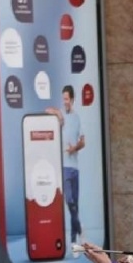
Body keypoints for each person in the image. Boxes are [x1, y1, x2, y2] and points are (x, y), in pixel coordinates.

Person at [46, 87, 84, 247]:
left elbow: (83, 142)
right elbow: (47, 110)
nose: (65, 101)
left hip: (75, 168)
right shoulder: (59, 116)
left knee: (75, 205)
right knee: (70, 203)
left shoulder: (77, 118)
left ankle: (75, 241)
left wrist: (73, 148)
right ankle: (81, 232)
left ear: (73, 99)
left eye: (67, 99)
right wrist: (58, 113)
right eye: (63, 99)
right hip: (64, 167)